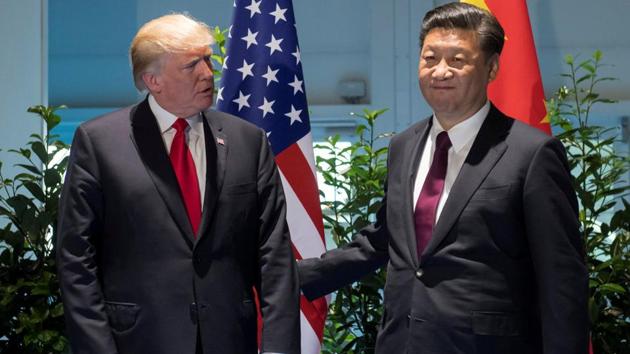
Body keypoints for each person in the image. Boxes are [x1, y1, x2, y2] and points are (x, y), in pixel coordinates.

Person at [298, 3, 588, 353]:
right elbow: (383, 240)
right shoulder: (404, 146)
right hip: (401, 343)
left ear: (491, 68)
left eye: (458, 60)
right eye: (430, 58)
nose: (441, 71)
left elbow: (562, 280)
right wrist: (292, 275)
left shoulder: (532, 153)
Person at [56, 13, 300, 354]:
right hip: (137, 342)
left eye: (207, 60)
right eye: (191, 66)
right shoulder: (99, 142)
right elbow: (75, 260)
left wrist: (278, 348)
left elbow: (274, 256)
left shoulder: (249, 141)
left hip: (230, 340)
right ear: (153, 80)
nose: (207, 73)